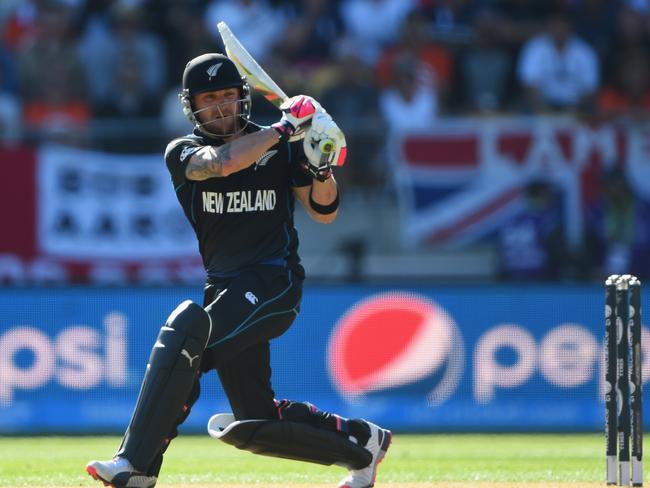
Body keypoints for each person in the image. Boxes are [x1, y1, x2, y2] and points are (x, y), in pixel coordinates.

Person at [85, 52, 391, 488]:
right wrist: (284, 128)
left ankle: (135, 465)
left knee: (185, 336)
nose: (223, 106)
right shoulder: (183, 152)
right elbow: (222, 163)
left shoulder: (281, 149)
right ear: (192, 105)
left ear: (243, 97)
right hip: (226, 288)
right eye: (211, 99)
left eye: (229, 95)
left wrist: (320, 161)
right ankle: (362, 443)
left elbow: (324, 210)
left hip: (274, 282)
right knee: (254, 423)